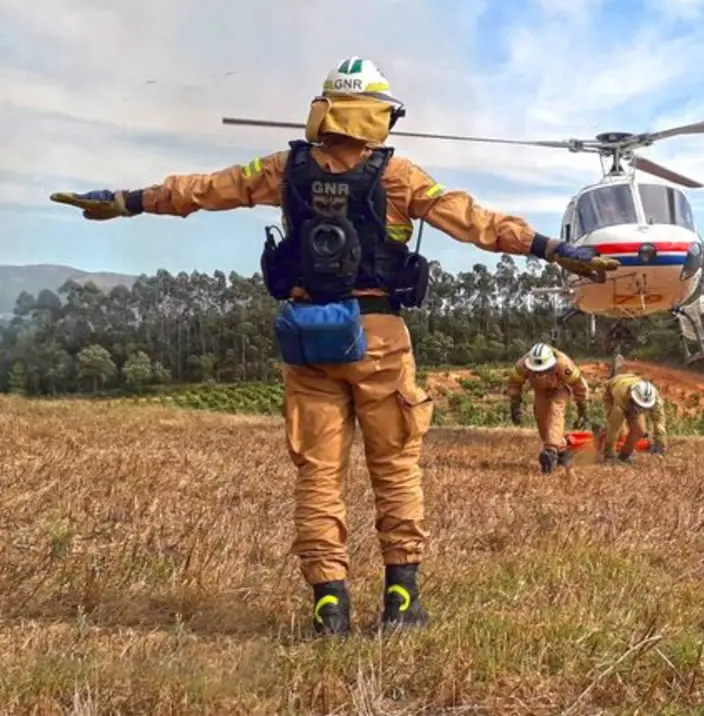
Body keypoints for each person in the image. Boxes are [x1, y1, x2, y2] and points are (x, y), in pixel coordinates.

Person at [50, 56, 618, 638]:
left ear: (325, 111)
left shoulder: (281, 168)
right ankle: (401, 600)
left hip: (308, 338)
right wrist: (551, 248)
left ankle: (329, 606)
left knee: (317, 475)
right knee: (395, 468)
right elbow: (475, 221)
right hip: (378, 338)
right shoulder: (399, 176)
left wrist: (127, 200)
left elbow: (204, 189)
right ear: (376, 116)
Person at [506, 342, 589, 473]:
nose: (540, 373)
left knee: (555, 412)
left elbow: (579, 385)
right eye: (537, 371)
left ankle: (550, 451)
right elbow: (514, 384)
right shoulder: (522, 365)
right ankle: (562, 451)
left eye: (544, 370)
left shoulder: (564, 364)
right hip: (540, 392)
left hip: (560, 389)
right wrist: (515, 405)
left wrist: (582, 409)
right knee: (543, 422)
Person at [600, 372, 667, 464]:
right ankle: (606, 449)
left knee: (639, 431)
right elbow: (614, 427)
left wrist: (660, 444)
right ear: (632, 397)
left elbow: (659, 422)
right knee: (620, 432)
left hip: (629, 385)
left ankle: (624, 455)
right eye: (638, 404)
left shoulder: (655, 400)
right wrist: (609, 454)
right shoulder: (621, 396)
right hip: (612, 392)